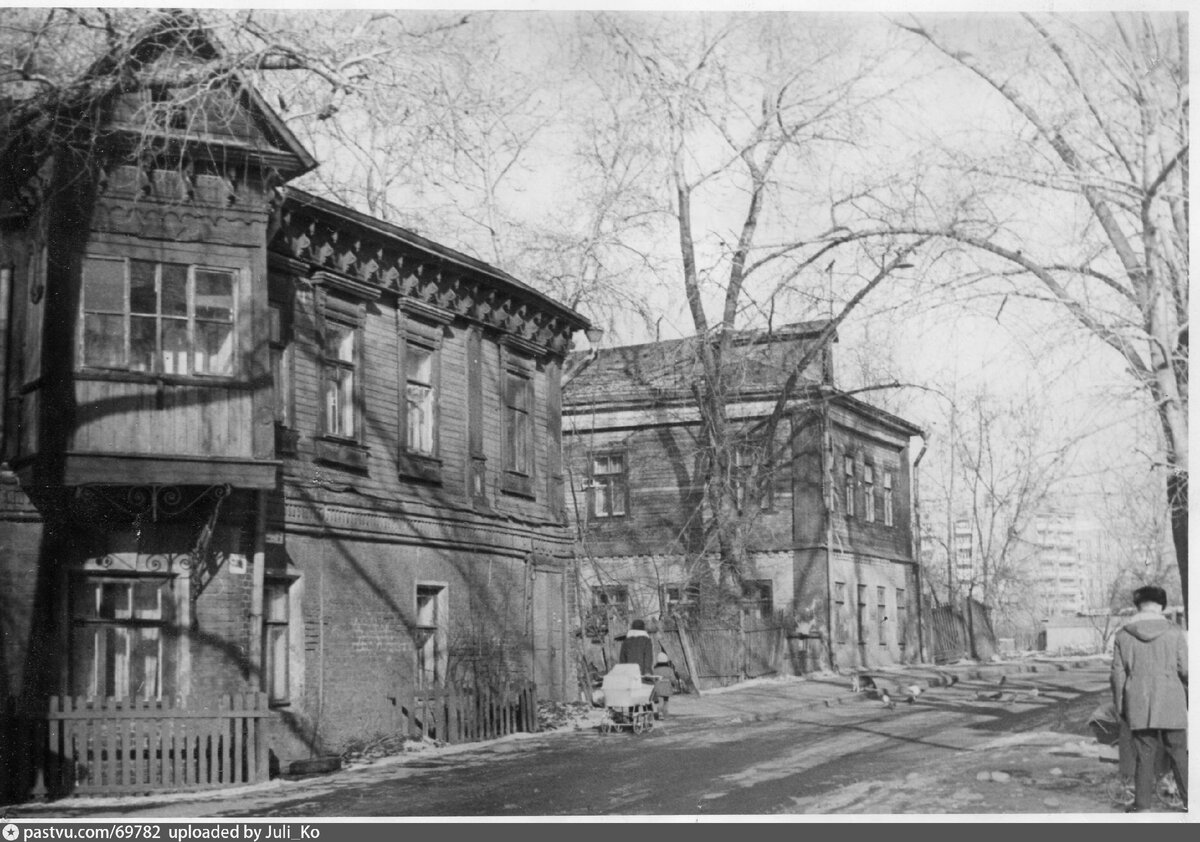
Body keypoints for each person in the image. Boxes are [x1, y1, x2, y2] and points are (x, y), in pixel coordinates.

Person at [1110, 584, 1188, 812]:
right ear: (1160, 606)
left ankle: (1142, 805)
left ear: (1138, 605)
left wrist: (1120, 705)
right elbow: (1186, 671)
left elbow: (1117, 674)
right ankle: (1192, 802)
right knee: (1179, 754)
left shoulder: (1123, 635)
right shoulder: (1175, 632)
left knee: (1144, 755)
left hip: (1139, 702)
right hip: (1171, 701)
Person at [652, 651, 678, 719]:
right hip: (667, 687)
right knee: (666, 701)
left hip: (657, 687)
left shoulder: (655, 669)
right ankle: (665, 715)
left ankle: (659, 713)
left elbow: (652, 679)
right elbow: (673, 678)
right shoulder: (669, 669)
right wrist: (674, 684)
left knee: (659, 701)